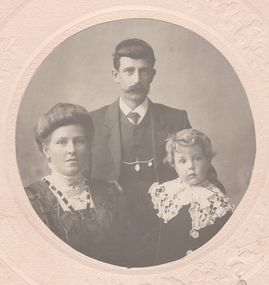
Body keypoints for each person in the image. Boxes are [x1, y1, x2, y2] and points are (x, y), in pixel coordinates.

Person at [89, 38, 224, 267]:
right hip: (113, 230)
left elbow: (204, 174)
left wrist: (218, 207)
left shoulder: (175, 118)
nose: (136, 80)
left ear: (152, 74)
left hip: (164, 231)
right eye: (129, 71)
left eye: (143, 72)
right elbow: (80, 182)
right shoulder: (94, 121)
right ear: (115, 74)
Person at [25, 103, 124, 265]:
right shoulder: (33, 201)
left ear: (89, 147)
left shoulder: (110, 193)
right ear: (46, 150)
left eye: (79, 141)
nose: (72, 149)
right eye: (62, 142)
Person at [149, 129, 235, 265]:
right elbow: (158, 236)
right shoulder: (165, 193)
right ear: (174, 165)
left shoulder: (218, 202)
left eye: (197, 158)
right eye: (182, 161)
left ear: (208, 161)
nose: (191, 166)